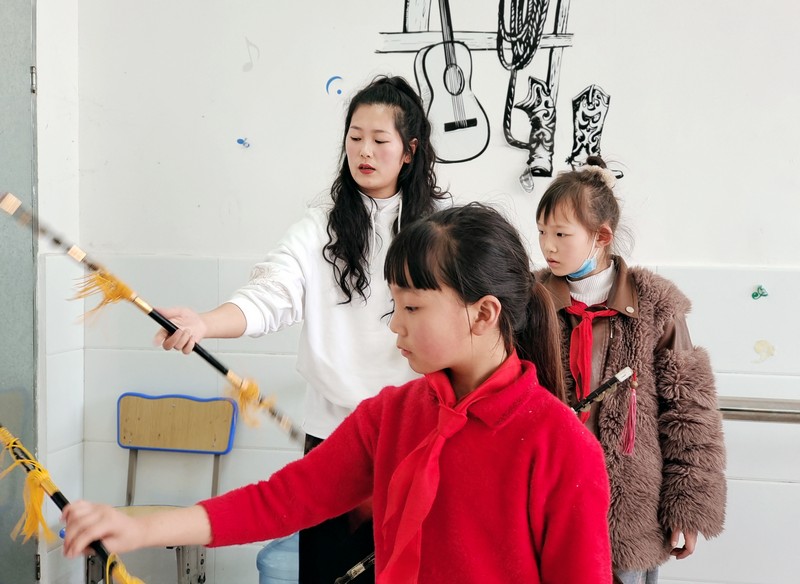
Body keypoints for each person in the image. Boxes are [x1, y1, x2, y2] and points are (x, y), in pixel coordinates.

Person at [63, 203, 614, 583]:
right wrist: (138, 527)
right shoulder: (393, 416)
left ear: (483, 313)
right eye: (394, 304)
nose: (394, 324)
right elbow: (281, 501)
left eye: (412, 307)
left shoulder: (560, 446)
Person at [151, 75, 449, 583]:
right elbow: (270, 294)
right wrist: (205, 323)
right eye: (355, 137)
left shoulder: (440, 233)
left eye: (380, 140)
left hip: (417, 435)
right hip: (334, 439)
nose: (364, 151)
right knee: (327, 572)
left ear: (410, 150)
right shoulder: (318, 228)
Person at [535, 157, 727, 584]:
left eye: (561, 234)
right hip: (546, 501)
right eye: (542, 232)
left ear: (601, 236)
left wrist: (688, 508)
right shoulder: (531, 300)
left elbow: (690, 412)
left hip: (629, 513)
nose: (548, 246)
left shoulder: (657, 304)